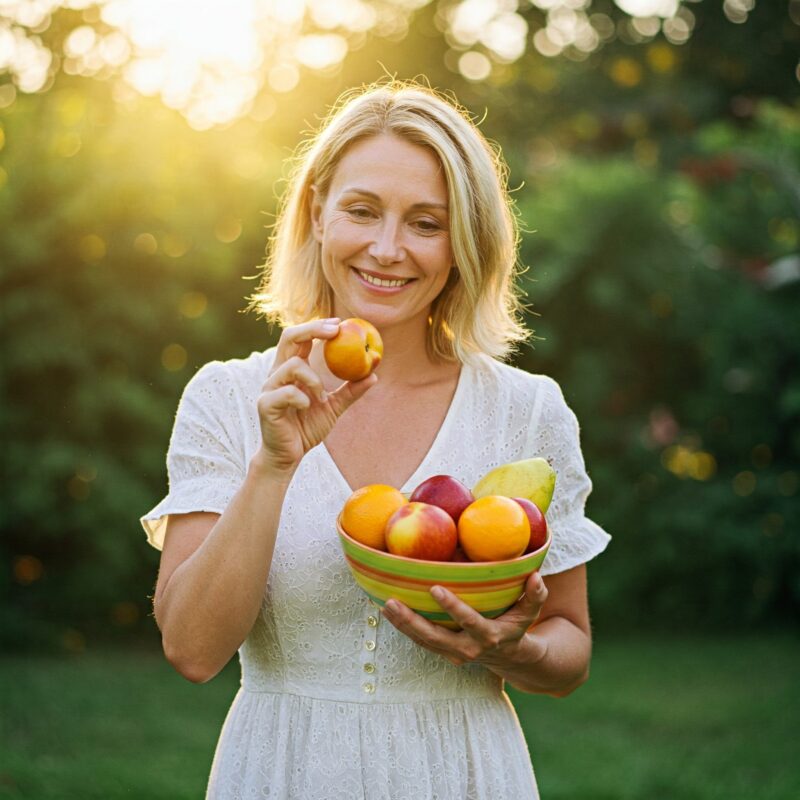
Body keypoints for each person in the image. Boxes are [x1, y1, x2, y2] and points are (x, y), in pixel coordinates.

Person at [141, 80, 611, 800]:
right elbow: (193, 651)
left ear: (463, 243)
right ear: (318, 212)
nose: (387, 250)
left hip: (465, 772)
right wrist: (273, 465)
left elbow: (570, 651)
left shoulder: (527, 410)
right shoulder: (230, 398)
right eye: (362, 211)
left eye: (426, 222)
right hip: (281, 770)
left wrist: (512, 649)